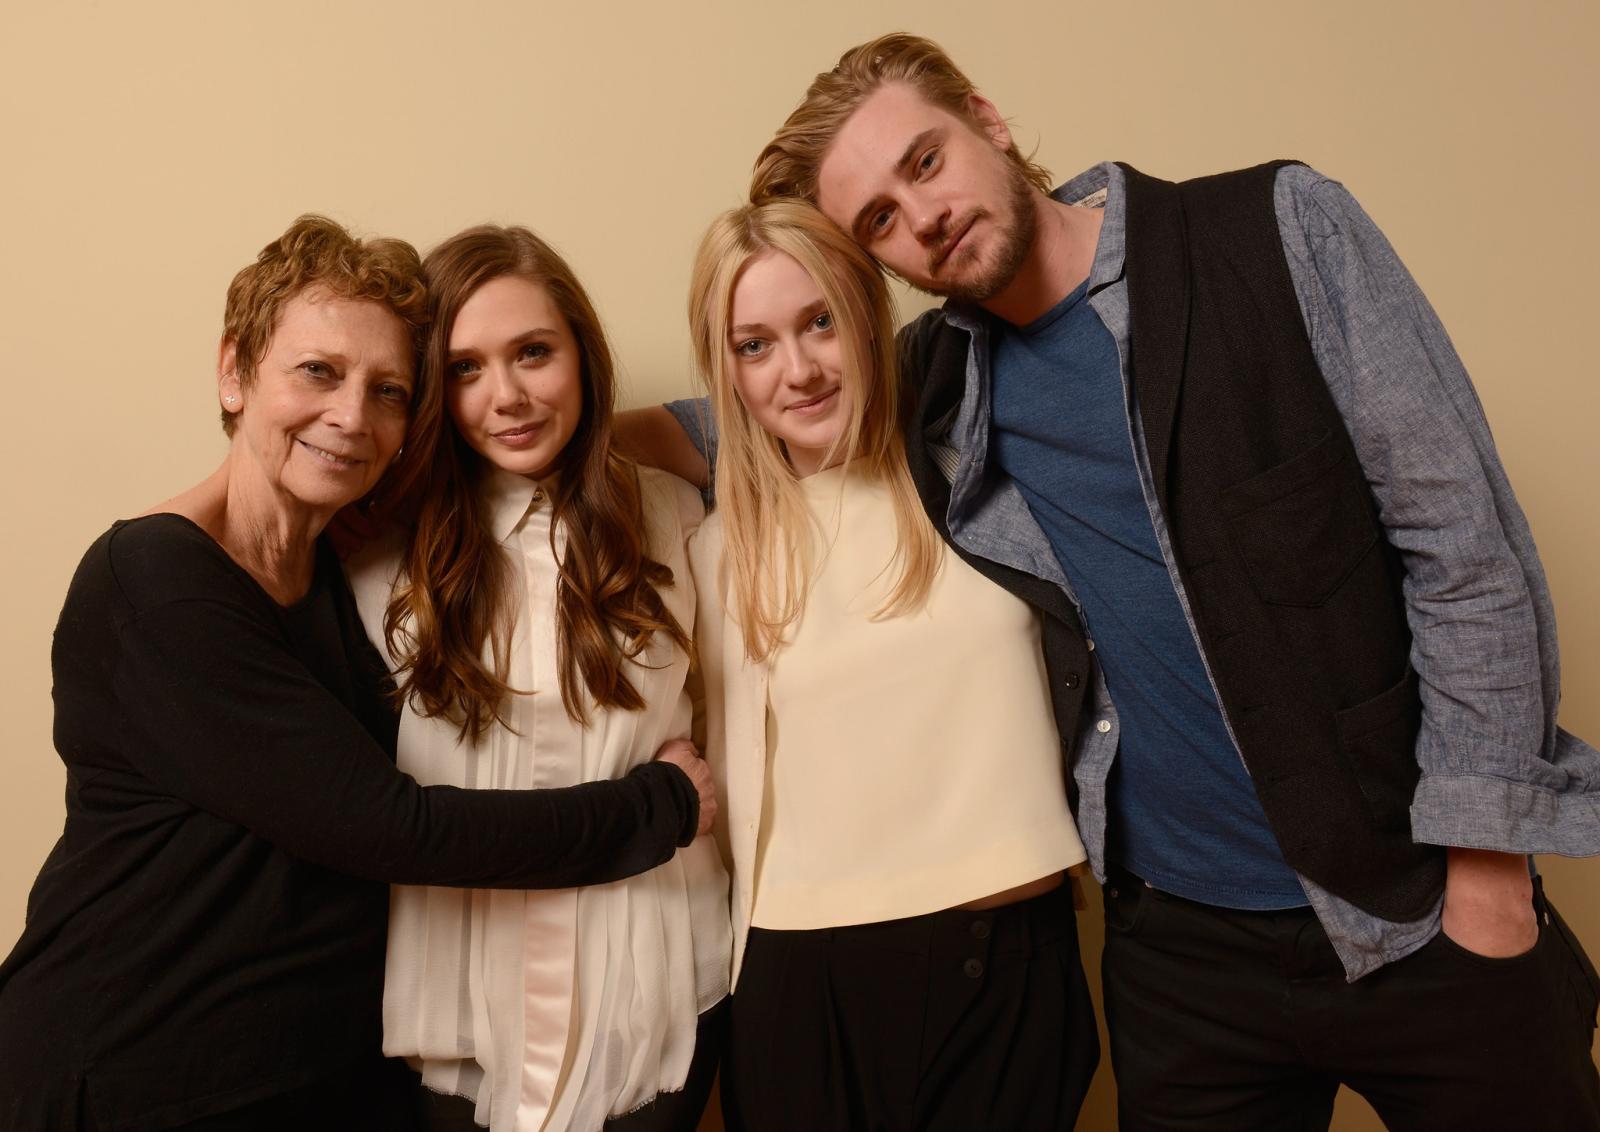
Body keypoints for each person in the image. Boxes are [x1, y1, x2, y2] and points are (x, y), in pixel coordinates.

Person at [628, 32, 1600, 1132]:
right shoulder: (938, 380)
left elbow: (1464, 546)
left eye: (926, 162)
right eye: (882, 220)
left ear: (987, 121)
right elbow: (756, 408)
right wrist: (551, 431)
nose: (924, 217)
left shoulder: (1275, 231)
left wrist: (1485, 869)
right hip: (1178, 956)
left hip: (1415, 901)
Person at [0, 215, 716, 1131]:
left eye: (388, 391)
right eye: (318, 372)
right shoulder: (156, 585)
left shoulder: (342, 568)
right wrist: (660, 806)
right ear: (233, 373)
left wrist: (589, 439)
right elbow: (393, 828)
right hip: (139, 1065)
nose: (350, 416)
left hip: (315, 1070)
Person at [685, 199, 1096, 1132]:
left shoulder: (988, 483)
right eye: (754, 345)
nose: (799, 370)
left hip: (1005, 955)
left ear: (868, 319)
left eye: (820, 322)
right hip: (799, 975)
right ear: (726, 371)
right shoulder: (713, 551)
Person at [345, 225, 730, 1132]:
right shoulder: (376, 553)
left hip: (657, 975)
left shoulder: (678, 514)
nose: (507, 396)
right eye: (466, 368)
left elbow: (804, 412)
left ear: (582, 355)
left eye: (533, 353)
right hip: (464, 991)